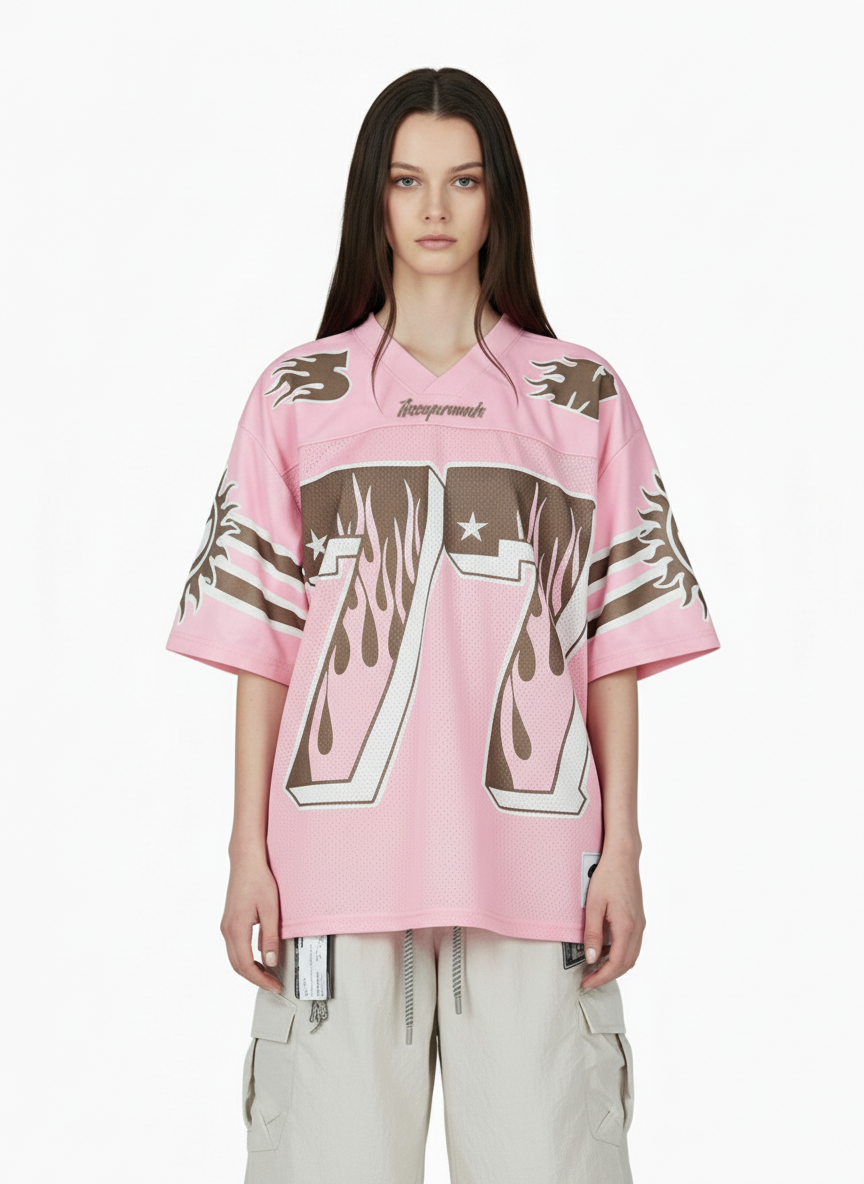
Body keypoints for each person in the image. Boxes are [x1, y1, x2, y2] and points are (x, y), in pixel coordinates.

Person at [165, 66, 720, 1184]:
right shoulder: (295, 396)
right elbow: (265, 645)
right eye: (406, 180)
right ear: (372, 197)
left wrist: (623, 851)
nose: (433, 209)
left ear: (497, 196)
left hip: (533, 871)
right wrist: (244, 854)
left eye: (462, 180)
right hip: (334, 874)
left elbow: (609, 645)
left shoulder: (580, 396)